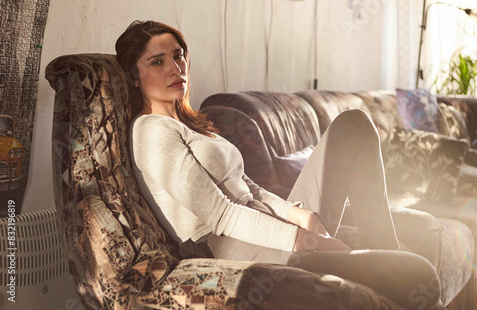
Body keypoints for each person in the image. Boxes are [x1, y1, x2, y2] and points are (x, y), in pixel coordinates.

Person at [115, 20, 440, 310]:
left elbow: (249, 187)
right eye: (157, 61)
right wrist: (307, 241)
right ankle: (384, 260)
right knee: (422, 277)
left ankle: (381, 250)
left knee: (353, 125)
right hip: (243, 248)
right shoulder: (151, 131)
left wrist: (300, 216)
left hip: (272, 223)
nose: (175, 67)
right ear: (134, 76)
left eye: (178, 55)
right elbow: (223, 216)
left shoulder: (189, 124)